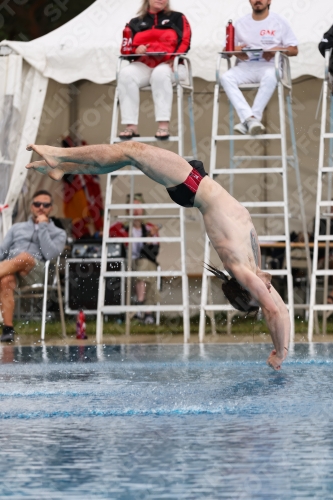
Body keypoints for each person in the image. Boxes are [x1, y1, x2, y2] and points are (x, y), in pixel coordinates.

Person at [25, 142, 290, 371]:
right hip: (197, 181)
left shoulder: (241, 270)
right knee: (126, 156)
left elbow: (272, 310)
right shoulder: (254, 269)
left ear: (249, 291)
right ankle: (62, 168)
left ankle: (58, 155)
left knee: (130, 151)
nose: (271, 290)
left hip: (192, 185)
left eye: (264, 291)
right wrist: (285, 350)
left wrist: (276, 352)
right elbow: (283, 311)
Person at [221, 0, 298, 135]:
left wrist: (278, 49)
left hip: (269, 65)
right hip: (245, 65)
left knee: (271, 74)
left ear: (269, 1)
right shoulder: (240, 23)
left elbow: (294, 50)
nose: (258, 0)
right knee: (226, 77)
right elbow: (225, 51)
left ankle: (250, 119)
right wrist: (235, 49)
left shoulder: (279, 21)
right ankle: (251, 119)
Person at [118, 0, 191, 140]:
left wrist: (174, 57)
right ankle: (131, 126)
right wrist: (136, 50)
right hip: (145, 64)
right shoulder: (135, 22)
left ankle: (163, 124)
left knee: (160, 73)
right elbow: (126, 49)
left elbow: (185, 41)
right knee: (125, 74)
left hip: (171, 65)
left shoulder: (177, 17)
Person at [0, 190, 66, 342]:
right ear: (31, 207)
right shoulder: (17, 228)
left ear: (51, 208)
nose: (41, 207)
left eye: (45, 205)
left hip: (40, 271)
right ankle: (8, 329)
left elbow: (51, 255)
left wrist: (43, 227)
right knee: (5, 280)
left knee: (24, 257)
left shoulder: (58, 232)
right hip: (14, 270)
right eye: (37, 204)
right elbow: (2, 252)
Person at [109, 194, 160, 324]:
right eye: (133, 207)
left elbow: (153, 254)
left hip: (147, 264)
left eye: (139, 207)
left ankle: (139, 307)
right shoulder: (119, 227)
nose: (136, 210)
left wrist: (148, 237)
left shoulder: (150, 228)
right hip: (127, 264)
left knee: (143, 265)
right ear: (127, 210)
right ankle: (147, 314)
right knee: (145, 271)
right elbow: (108, 242)